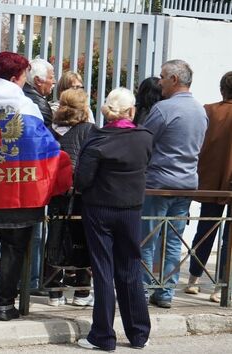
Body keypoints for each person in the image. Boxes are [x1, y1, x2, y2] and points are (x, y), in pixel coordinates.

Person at [0, 51, 72, 321]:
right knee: (12, 249)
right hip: (15, 191)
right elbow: (43, 145)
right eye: (24, 77)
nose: (25, 82)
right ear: (15, 77)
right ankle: (4, 305)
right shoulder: (25, 106)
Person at [75, 87, 152, 351]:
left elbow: (82, 179)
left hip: (99, 210)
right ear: (131, 111)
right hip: (131, 210)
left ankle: (103, 336)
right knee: (130, 268)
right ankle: (139, 333)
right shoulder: (144, 138)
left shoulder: (97, 138)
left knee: (103, 271)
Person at [141, 59, 208, 309]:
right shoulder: (200, 110)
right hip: (187, 183)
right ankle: (166, 292)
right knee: (173, 240)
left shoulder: (163, 109)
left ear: (174, 80)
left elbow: (145, 142)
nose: (159, 82)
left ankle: (142, 288)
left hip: (159, 183)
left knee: (148, 237)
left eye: (162, 77)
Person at [185, 71, 232, 303]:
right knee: (230, 238)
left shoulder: (209, 110)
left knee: (205, 230)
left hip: (211, 180)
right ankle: (220, 287)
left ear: (222, 89)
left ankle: (193, 279)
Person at [46, 88, 94, 307]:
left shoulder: (50, 129)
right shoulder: (90, 130)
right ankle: (81, 292)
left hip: (56, 191)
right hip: (81, 192)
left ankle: (54, 291)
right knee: (82, 239)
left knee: (55, 238)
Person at [22, 58, 55, 292]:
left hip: (20, 174)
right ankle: (31, 281)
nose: (53, 84)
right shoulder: (38, 105)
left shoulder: (24, 97)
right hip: (33, 176)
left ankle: (23, 280)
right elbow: (47, 142)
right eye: (51, 78)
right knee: (34, 232)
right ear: (38, 80)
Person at [23, 58, 55, 129]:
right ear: (38, 80)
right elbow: (46, 135)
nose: (54, 81)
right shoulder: (40, 105)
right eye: (51, 78)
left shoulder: (20, 93)